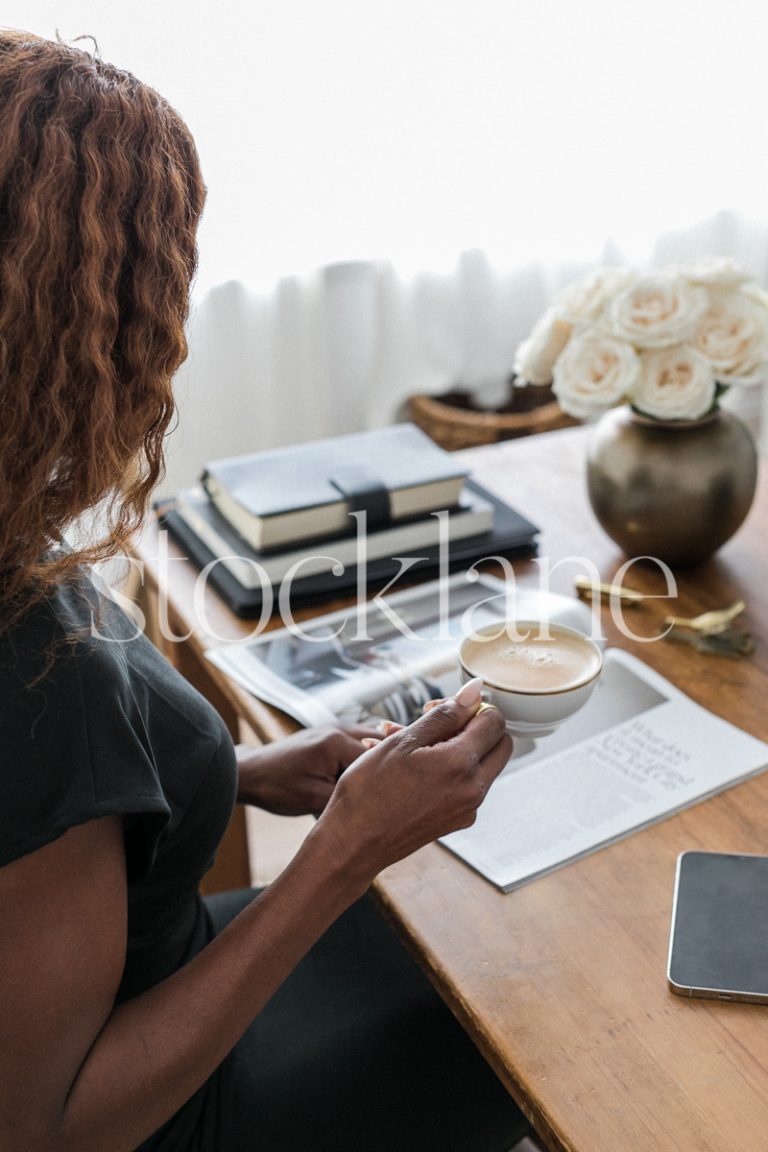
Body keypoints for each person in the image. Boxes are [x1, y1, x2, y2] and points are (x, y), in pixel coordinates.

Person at [0, 30, 531, 1152]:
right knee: (529, 985)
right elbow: (51, 1128)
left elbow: (45, 835)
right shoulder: (37, 667)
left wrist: (238, 771)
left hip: (142, 977)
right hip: (175, 1106)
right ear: (84, 327)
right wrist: (342, 853)